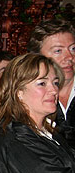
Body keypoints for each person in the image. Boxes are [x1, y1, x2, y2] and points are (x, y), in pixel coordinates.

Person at [27, 19, 75, 148]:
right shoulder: (30, 98)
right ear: (38, 57)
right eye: (58, 51)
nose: (70, 57)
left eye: (73, 48)